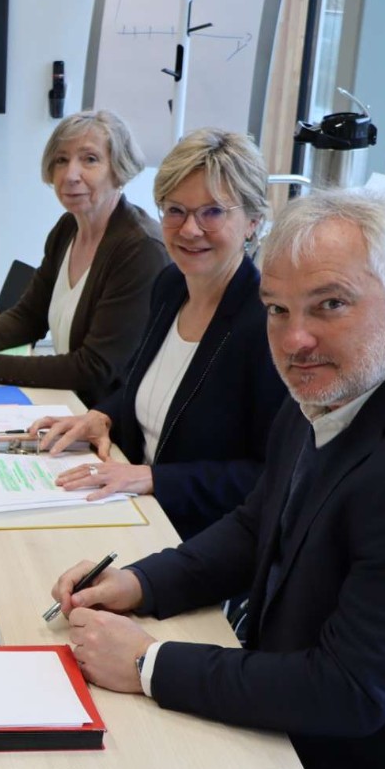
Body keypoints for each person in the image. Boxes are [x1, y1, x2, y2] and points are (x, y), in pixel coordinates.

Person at [51, 189, 385, 769]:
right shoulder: (331, 387)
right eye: (277, 309)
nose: (295, 339)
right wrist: (139, 582)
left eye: (330, 304)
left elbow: (350, 690)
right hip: (278, 715)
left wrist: (148, 664)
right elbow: (256, 526)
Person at [33, 129, 287, 541]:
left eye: (212, 212)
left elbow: (267, 475)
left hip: (197, 537)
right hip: (130, 507)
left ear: (253, 222)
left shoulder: (266, 326)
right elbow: (138, 384)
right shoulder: (170, 286)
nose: (189, 230)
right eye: (175, 210)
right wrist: (103, 416)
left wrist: (153, 478)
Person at [0, 109, 169, 406]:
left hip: (107, 420)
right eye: (61, 160)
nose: (70, 175)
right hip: (65, 401)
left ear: (119, 170)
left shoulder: (141, 249)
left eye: (90, 159)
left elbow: (94, 367)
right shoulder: (68, 227)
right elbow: (30, 316)